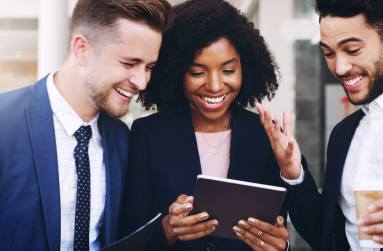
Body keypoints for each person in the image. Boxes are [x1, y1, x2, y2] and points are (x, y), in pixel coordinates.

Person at [0, 0, 173, 250]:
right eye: (129, 63)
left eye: (149, 67)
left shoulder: (121, 138)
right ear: (81, 49)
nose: (142, 82)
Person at [257, 0, 383, 250]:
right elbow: (324, 235)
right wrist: (293, 173)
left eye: (352, 49)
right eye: (328, 53)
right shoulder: (342, 134)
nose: (339, 68)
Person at [121, 0, 293, 250]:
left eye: (228, 70)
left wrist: (282, 247)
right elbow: (131, 237)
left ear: (245, 69)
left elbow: (287, 227)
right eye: (197, 72)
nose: (214, 86)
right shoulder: (148, 135)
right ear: (175, 72)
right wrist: (169, 229)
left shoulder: (266, 135)